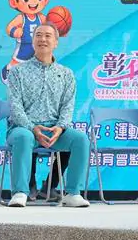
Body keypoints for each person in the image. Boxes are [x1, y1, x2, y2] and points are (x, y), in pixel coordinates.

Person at [5, 21, 89, 207]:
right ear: (32, 41)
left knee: (80, 139)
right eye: (38, 35)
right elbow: (15, 106)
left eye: (48, 36)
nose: (42, 39)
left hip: (54, 130)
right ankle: (20, 192)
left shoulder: (66, 74)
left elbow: (68, 106)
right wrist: (32, 127)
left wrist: (60, 128)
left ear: (56, 42)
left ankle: (73, 193)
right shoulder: (17, 71)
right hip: (23, 128)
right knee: (24, 137)